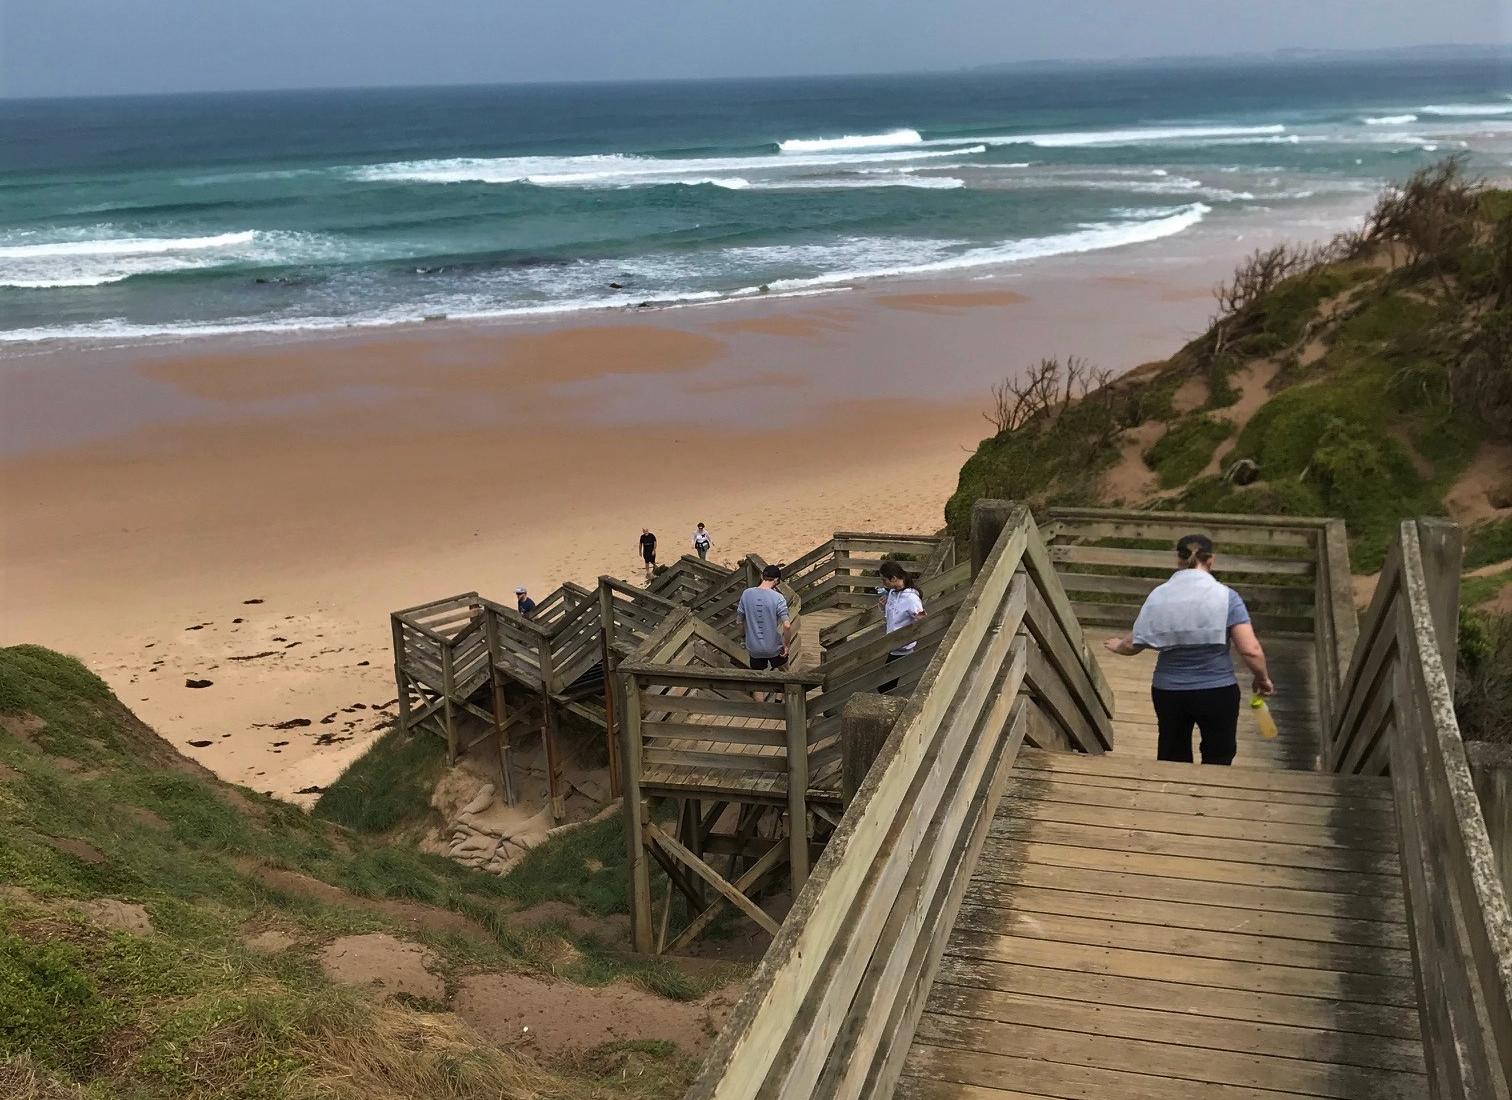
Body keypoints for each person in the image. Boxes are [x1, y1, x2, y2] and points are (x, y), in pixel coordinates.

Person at [1102, 534, 1275, 766]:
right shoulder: (1227, 597)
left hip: (1169, 692)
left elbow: (1134, 643)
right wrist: (1261, 678)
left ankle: (1174, 798)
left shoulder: (1159, 595)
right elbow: (1250, 650)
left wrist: (1117, 646)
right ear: (1211, 560)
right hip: (1217, 691)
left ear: (1178, 560)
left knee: (1173, 755)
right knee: (1219, 754)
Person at [736, 564, 794, 680]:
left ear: (762, 577)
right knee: (786, 673)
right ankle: (778, 699)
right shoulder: (778, 598)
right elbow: (787, 626)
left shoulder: (746, 594)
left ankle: (760, 699)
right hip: (774, 647)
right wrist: (786, 646)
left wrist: (742, 638)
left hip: (753, 647)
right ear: (777, 580)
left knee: (757, 679)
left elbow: (739, 621)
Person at [877, 561, 925, 693]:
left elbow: (922, 620)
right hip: (891, 645)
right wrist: (883, 607)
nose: (883, 584)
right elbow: (891, 617)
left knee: (885, 687)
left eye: (884, 580)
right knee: (885, 685)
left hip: (903, 648)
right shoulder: (892, 593)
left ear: (893, 578)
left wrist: (909, 636)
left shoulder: (911, 599)